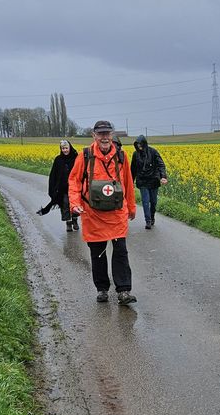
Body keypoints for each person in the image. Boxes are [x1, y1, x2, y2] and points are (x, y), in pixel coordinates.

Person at [68, 120, 138, 305]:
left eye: (107, 133)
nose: (105, 137)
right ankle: (102, 289)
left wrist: (131, 207)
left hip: (116, 214)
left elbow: (128, 184)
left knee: (120, 252)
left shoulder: (122, 156)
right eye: (101, 134)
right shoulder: (85, 156)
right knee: (97, 254)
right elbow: (74, 181)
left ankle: (123, 290)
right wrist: (74, 204)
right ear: (94, 135)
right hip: (93, 213)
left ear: (112, 135)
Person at [38, 140, 80, 232]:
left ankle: (75, 220)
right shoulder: (58, 159)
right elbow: (53, 174)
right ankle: (68, 223)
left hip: (74, 187)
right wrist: (53, 188)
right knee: (65, 204)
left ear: (70, 148)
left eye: (66, 148)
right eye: (63, 148)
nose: (65, 150)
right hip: (62, 189)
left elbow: (80, 172)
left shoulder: (76, 158)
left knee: (75, 204)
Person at [130, 134, 168, 229]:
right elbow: (133, 169)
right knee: (145, 201)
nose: (139, 147)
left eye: (140, 144)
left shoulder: (153, 152)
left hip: (153, 180)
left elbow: (161, 164)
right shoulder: (135, 154)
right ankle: (148, 221)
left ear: (144, 144)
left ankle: (152, 217)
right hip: (142, 181)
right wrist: (130, 181)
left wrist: (163, 176)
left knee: (153, 201)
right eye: (137, 145)